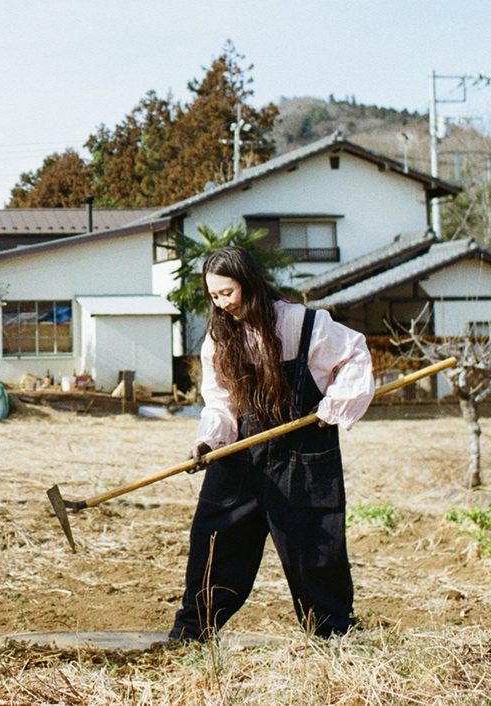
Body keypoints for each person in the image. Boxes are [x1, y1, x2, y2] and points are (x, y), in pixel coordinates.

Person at [167, 246, 374, 641]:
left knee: (315, 548)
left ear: (249, 282)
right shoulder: (219, 339)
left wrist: (332, 406)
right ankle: (192, 635)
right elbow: (221, 402)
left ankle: (333, 637)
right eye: (213, 296)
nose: (221, 304)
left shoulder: (303, 323)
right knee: (214, 541)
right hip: (243, 455)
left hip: (306, 454)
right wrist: (208, 441)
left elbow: (354, 353)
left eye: (227, 292)